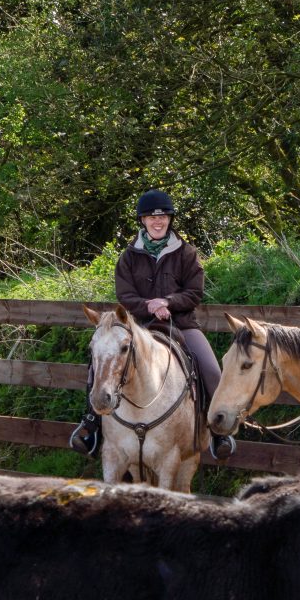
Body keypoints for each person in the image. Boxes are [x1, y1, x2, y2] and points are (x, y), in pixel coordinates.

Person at [107, 189, 235, 460]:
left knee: (212, 371)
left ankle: (219, 434)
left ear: (169, 219)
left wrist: (168, 302)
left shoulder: (186, 253)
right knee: (101, 362)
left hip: (182, 324)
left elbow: (195, 292)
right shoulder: (128, 256)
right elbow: (125, 295)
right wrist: (149, 306)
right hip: (140, 326)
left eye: (163, 217)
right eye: (152, 218)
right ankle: (91, 427)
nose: (158, 222)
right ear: (143, 220)